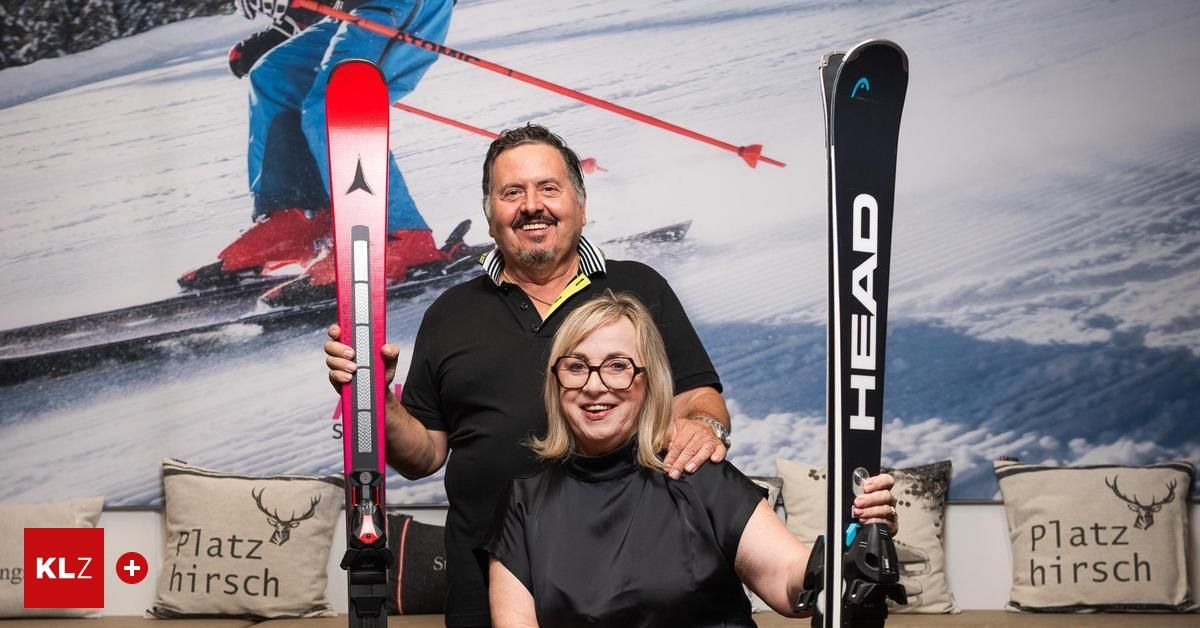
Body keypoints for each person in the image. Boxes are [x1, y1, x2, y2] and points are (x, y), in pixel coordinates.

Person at [324, 124, 734, 626]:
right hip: (482, 581)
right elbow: (423, 456)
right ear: (490, 217)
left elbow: (700, 400)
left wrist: (703, 428)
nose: (531, 205)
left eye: (548, 188)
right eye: (511, 192)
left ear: (580, 207)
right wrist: (378, 398)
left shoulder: (638, 288)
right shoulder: (451, 312)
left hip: (629, 580)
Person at [485, 291, 899, 626]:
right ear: (557, 382)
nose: (595, 386)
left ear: (648, 382)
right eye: (577, 367)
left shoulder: (696, 472)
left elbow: (791, 582)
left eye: (618, 366)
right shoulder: (526, 503)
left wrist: (848, 558)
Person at [179, 0, 460, 305]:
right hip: (354, 8)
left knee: (336, 100)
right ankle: (298, 218)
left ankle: (394, 238)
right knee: (276, 75)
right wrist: (289, 25)